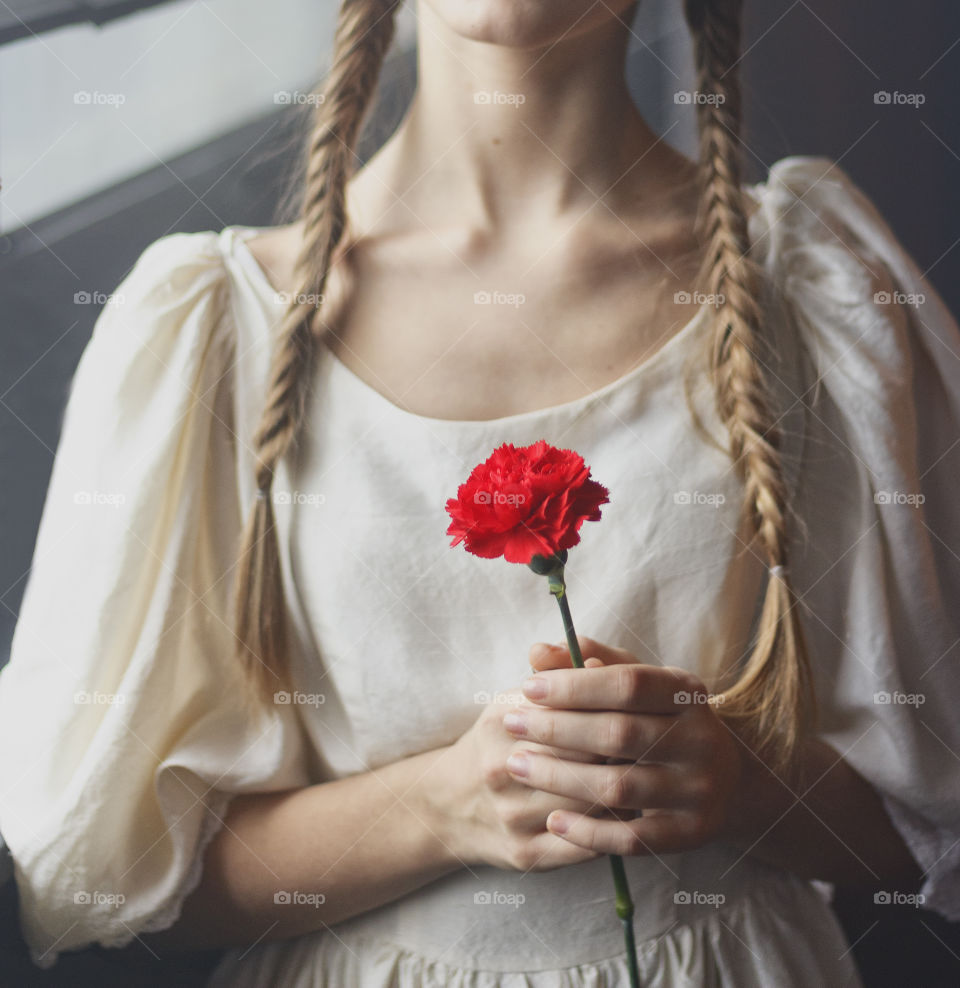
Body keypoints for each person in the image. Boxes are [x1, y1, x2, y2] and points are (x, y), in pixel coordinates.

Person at [1, 0, 957, 984]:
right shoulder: (211, 328)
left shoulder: (814, 289)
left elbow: (929, 833)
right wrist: (438, 805)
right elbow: (106, 883)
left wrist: (743, 788)